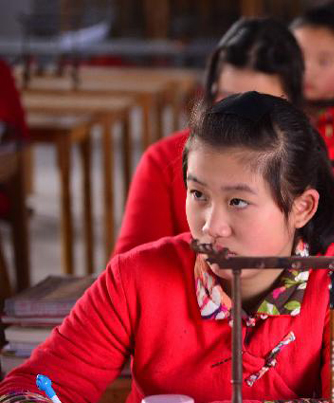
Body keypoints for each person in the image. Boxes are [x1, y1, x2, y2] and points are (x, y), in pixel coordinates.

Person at [0, 92, 334, 403]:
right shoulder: (136, 276)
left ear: (302, 208)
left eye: (238, 201)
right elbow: (25, 388)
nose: (211, 225)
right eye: (198, 194)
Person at [113, 17, 304, 256]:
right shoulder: (164, 160)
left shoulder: (311, 163)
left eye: (260, 103)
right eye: (198, 194)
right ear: (210, 92)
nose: (239, 116)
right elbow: (132, 267)